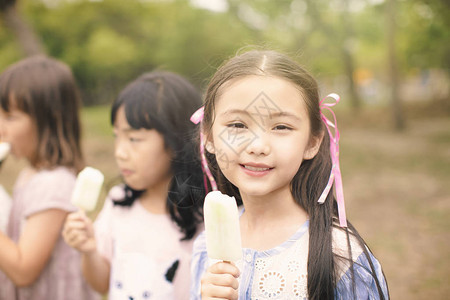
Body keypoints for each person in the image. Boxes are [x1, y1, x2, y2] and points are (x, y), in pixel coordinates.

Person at [190, 50, 389, 300]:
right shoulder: (206, 247)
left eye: (281, 127)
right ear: (207, 135)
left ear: (312, 142)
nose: (258, 146)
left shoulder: (339, 257)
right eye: (237, 125)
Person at [63, 71, 206, 299]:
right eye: (116, 136)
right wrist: (88, 250)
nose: (119, 152)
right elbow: (101, 284)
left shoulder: (204, 220)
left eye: (134, 139)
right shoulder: (118, 203)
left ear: (176, 140)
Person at [0, 55, 99, 300]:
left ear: (48, 121)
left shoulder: (53, 183)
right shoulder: (31, 174)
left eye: (10, 117)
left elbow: (23, 271)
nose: (1, 128)